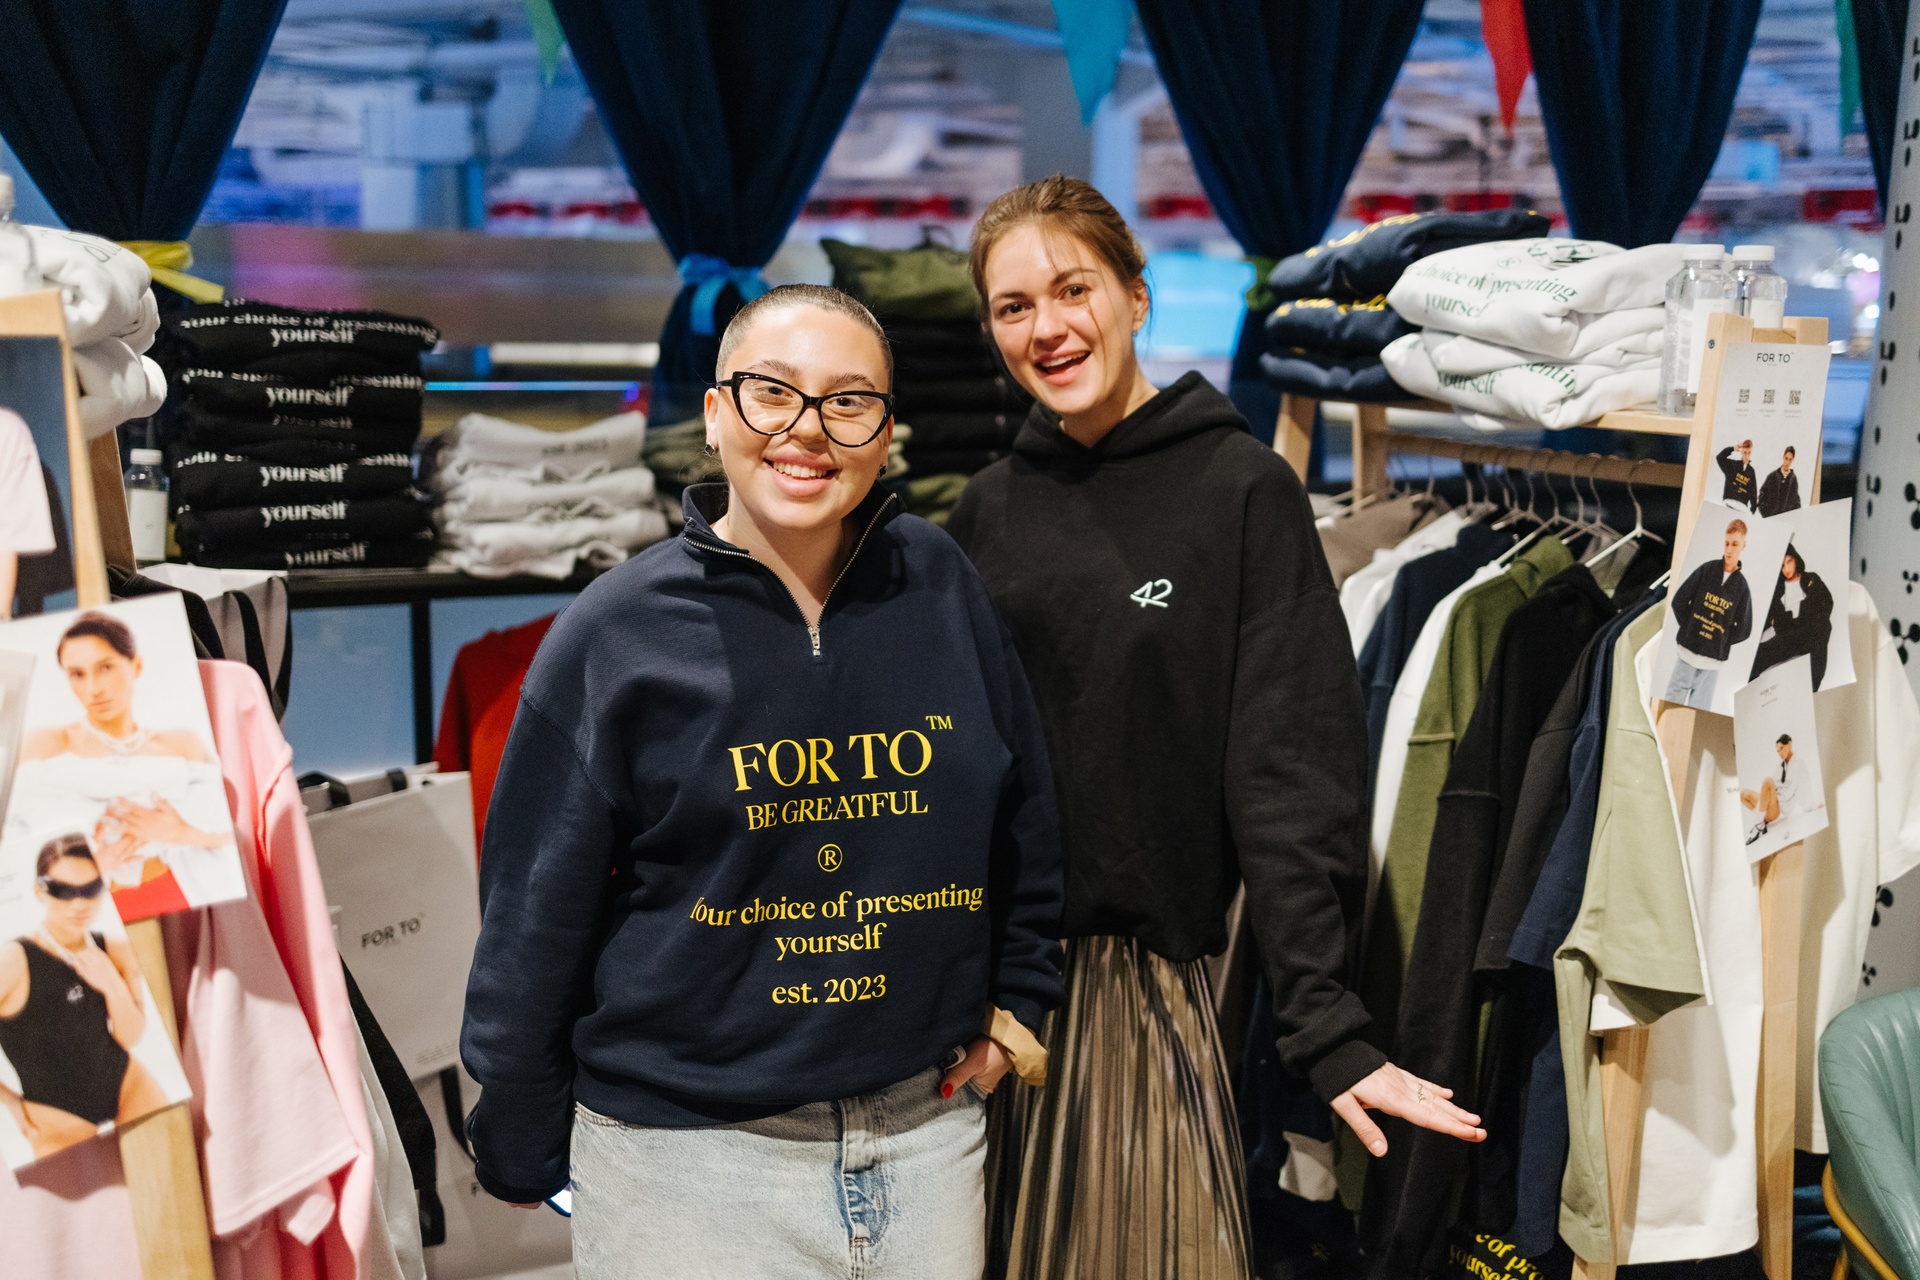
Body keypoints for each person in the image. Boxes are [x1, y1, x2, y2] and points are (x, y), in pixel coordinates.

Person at [460, 284, 1065, 1280]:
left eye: (848, 400)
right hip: (688, 1162)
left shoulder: (940, 583)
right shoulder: (617, 633)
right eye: (772, 392)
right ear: (714, 414)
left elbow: (1024, 816)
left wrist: (1020, 1004)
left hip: (927, 1138)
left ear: (885, 431)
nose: (808, 429)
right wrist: (519, 1126)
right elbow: (533, 912)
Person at [945, 176, 1483, 1279]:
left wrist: (1325, 1027)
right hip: (983, 1003)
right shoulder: (984, 512)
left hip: (1144, 999)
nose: (1047, 328)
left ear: (1137, 296)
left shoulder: (1241, 492)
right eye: (1013, 306)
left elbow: (1292, 774)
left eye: (1073, 288)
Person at [8, 612, 238, 919]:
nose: (93, 688)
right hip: (81, 910)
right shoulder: (43, 744)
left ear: (136, 665)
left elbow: (237, 835)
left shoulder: (182, 743)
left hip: (185, 898)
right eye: (77, 674)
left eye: (105, 667)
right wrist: (88, 868)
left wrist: (184, 833)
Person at [0, 834, 168, 1161]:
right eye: (63, 891)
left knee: (175, 1167)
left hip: (126, 1084)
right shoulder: (13, 961)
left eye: (90, 889)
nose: (79, 904)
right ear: (39, 891)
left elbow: (131, 1037)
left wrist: (111, 984)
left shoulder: (114, 948)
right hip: (55, 1116)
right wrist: (8, 1100)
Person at [1664, 517, 1754, 710]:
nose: (1729, 549)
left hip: (1712, 665)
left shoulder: (1742, 587)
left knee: (1697, 714)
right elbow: (1679, 600)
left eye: (1735, 544)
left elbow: (1744, 629)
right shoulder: (1707, 570)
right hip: (1687, 654)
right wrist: (1690, 627)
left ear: (1743, 546)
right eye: (1727, 543)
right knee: (1670, 707)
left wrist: (1721, 640)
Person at [1749, 542, 1835, 688]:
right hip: (1788, 631)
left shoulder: (1811, 579)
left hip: (1809, 626)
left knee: (1823, 625)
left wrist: (1807, 610)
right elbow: (1771, 617)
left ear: (1796, 560)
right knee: (1763, 652)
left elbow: (1827, 602)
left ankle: (1813, 685)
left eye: (1789, 562)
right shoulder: (1777, 588)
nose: (1787, 569)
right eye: (1782, 565)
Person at [1742, 734, 1807, 845]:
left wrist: (1813, 805)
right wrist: (1768, 797)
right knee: (1743, 794)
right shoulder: (1779, 768)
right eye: (1778, 751)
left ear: (1789, 744)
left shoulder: (1799, 766)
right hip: (1772, 803)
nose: (1780, 753)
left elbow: (1802, 790)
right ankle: (1762, 823)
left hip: (1778, 809)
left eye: (1782, 748)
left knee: (1768, 780)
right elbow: (1774, 788)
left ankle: (1758, 826)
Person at [1757, 444, 1802, 518]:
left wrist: (1792, 517)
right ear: (1783, 457)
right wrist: (1765, 513)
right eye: (1786, 458)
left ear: (1793, 459)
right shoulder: (1772, 476)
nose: (1787, 462)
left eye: (1790, 459)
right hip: (1770, 518)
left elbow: (1796, 502)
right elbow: (1762, 494)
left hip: (1785, 519)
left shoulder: (1793, 480)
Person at [1716, 438, 1757, 511]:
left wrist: (1753, 509)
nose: (1747, 455)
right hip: (1729, 503)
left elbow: (1753, 491)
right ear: (1741, 452)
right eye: (1745, 452)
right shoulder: (1732, 465)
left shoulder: (1751, 471)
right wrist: (1732, 448)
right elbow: (1719, 458)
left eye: (1749, 453)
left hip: (1742, 507)